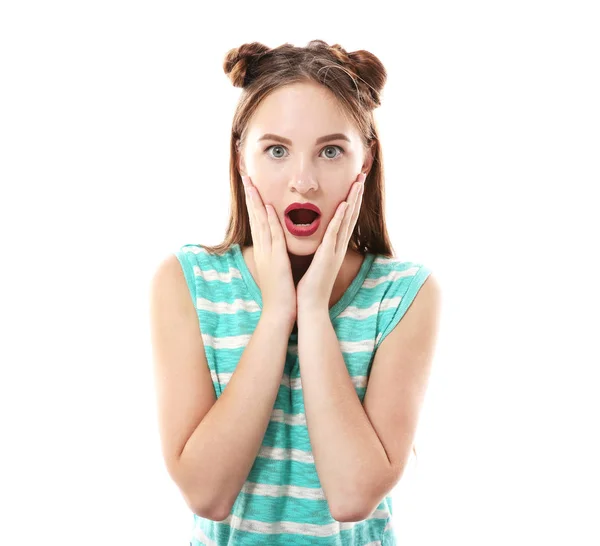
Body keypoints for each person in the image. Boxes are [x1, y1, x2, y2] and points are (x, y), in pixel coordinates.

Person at [149, 39, 441, 546]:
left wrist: (313, 308)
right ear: (242, 156)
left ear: (365, 161)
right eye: (277, 150)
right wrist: (277, 312)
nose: (303, 182)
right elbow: (206, 494)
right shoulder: (185, 282)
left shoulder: (404, 295)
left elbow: (352, 496)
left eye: (331, 151)